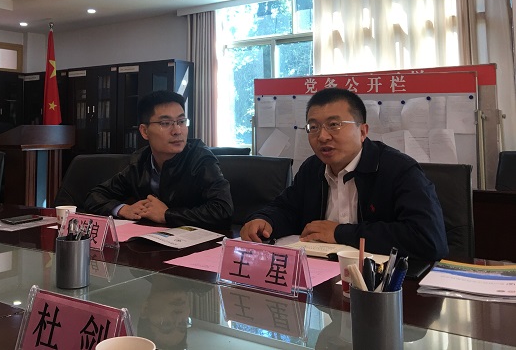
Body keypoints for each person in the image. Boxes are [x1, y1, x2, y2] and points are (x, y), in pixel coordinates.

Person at [240, 87, 448, 261]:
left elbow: (429, 240)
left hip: (382, 282)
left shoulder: (399, 170)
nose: (322, 136)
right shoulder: (313, 168)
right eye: (314, 127)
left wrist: (340, 233)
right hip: (320, 275)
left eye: (334, 125)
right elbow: (287, 209)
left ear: (363, 131)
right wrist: (265, 220)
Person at [83, 90, 233, 229]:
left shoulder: (201, 159)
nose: (177, 131)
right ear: (144, 131)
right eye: (165, 123)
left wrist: (167, 215)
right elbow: (95, 196)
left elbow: (223, 210)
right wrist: (123, 209)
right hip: (151, 241)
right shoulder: (139, 162)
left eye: (181, 121)